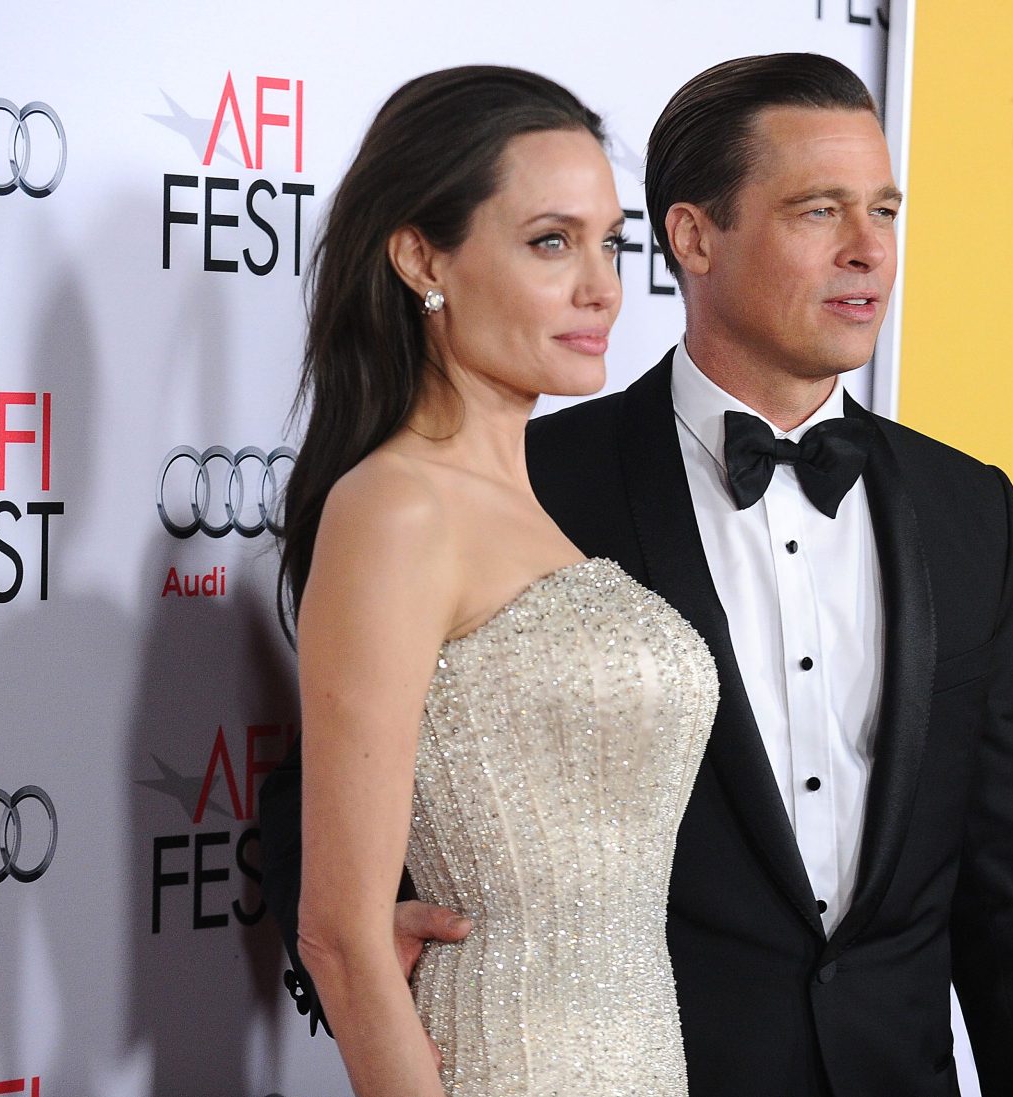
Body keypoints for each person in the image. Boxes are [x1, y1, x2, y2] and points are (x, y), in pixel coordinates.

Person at [393, 53, 1013, 1095]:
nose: (869, 250)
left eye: (884, 211)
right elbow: (331, 779)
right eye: (820, 211)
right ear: (694, 235)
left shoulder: (970, 510)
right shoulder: (529, 486)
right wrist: (370, 940)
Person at [268, 66, 718, 1096]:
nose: (602, 286)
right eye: (551, 241)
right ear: (423, 255)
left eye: (611, 241)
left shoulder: (545, 507)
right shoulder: (397, 507)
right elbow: (339, 931)